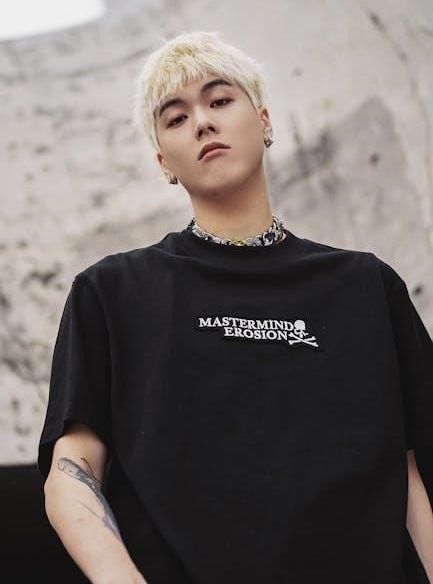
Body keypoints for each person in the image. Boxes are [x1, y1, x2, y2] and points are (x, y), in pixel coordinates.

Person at [38, 30, 433, 584]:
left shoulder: (367, 286)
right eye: (176, 118)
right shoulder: (111, 292)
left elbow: (408, 474)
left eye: (220, 100)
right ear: (164, 162)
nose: (202, 122)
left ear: (265, 122)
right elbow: (72, 470)